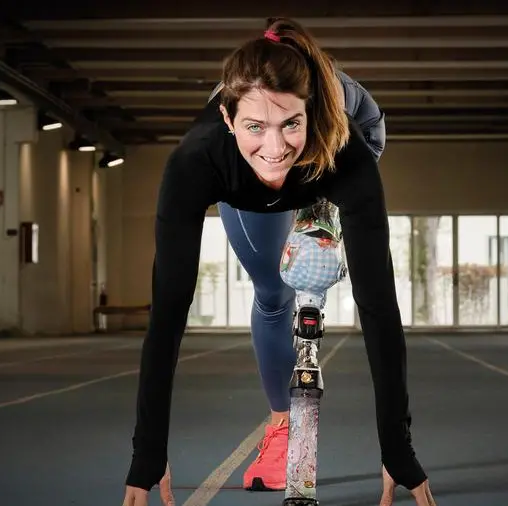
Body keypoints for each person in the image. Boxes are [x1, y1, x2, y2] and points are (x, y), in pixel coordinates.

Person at [121, 17, 437, 506]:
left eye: (290, 123)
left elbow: (378, 306)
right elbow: (168, 313)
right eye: (254, 127)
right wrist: (148, 455)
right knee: (272, 290)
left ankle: (316, 208)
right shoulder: (197, 160)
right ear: (228, 120)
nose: (273, 147)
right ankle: (281, 421)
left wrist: (399, 450)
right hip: (254, 165)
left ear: (309, 113)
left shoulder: (346, 150)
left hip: (342, 137)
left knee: (319, 211)